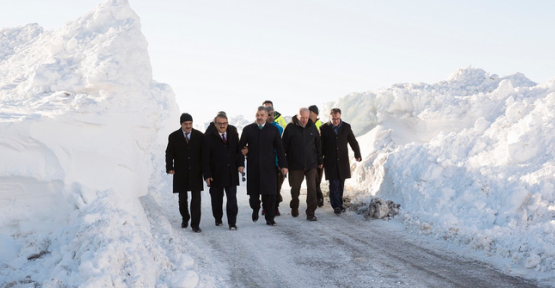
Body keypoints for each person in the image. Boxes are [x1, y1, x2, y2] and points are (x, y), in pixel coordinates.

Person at [239, 106, 288, 226]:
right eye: (258, 115)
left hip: (269, 167)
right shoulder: (248, 129)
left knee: (270, 194)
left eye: (262, 115)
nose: (259, 117)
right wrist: (240, 164)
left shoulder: (273, 130)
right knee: (254, 197)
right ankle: (255, 209)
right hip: (253, 167)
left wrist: (283, 165)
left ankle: (270, 218)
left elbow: (280, 149)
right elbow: (240, 148)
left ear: (267, 116)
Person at [202, 113, 243, 230]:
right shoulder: (208, 137)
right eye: (219, 123)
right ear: (215, 124)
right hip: (215, 174)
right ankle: (218, 218)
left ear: (227, 123)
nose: (222, 125)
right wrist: (207, 174)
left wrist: (240, 164)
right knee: (216, 199)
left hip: (231, 173)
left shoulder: (233, 134)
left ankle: (232, 222)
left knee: (232, 198)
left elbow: (238, 151)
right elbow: (205, 158)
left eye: (224, 123)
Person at [282, 107, 323, 221]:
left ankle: (311, 212)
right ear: (297, 116)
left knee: (312, 188)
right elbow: (283, 146)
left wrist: (320, 161)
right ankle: (294, 206)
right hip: (295, 164)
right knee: (295, 188)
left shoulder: (312, 127)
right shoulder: (290, 128)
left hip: (311, 164)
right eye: (302, 118)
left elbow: (318, 145)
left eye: (306, 117)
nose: (304, 120)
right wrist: (284, 163)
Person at [165, 113, 204, 233]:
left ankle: (195, 224)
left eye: (190, 123)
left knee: (196, 199)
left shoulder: (199, 136)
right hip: (180, 171)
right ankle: (185, 217)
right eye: (185, 124)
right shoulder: (173, 136)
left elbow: (204, 154)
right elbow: (169, 153)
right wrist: (170, 167)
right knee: (182, 198)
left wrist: (205, 170)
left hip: (196, 171)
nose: (188, 126)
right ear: (181, 124)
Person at [320, 108, 362, 215]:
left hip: (342, 161)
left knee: (341, 184)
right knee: (333, 184)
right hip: (330, 161)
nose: (336, 121)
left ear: (340, 116)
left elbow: (353, 141)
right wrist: (320, 160)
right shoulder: (324, 128)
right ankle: (336, 206)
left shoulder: (346, 127)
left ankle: (339, 203)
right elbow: (320, 146)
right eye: (333, 119)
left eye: (337, 119)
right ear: (330, 117)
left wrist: (357, 154)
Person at [260, 105, 285, 217]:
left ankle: (275, 207)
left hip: (276, 162)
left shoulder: (279, 128)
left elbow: (281, 147)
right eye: (268, 115)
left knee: (276, 187)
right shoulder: (259, 128)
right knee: (265, 186)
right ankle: (265, 207)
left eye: (272, 114)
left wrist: (281, 163)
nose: (271, 117)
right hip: (264, 163)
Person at [308, 105, 325, 208]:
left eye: (311, 113)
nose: (309, 115)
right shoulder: (307, 124)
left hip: (319, 157)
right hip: (310, 157)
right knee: (312, 179)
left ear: (316, 114)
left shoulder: (321, 125)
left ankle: (318, 197)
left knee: (318, 179)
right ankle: (316, 198)